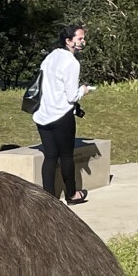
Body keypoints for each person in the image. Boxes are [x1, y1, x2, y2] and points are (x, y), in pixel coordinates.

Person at [33, 24, 92, 204]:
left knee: (50, 156)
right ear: (68, 41)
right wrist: (84, 90)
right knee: (66, 156)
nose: (83, 42)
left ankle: (49, 199)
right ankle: (72, 194)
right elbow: (72, 96)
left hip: (42, 114)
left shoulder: (51, 57)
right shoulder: (72, 63)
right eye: (79, 39)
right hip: (61, 115)